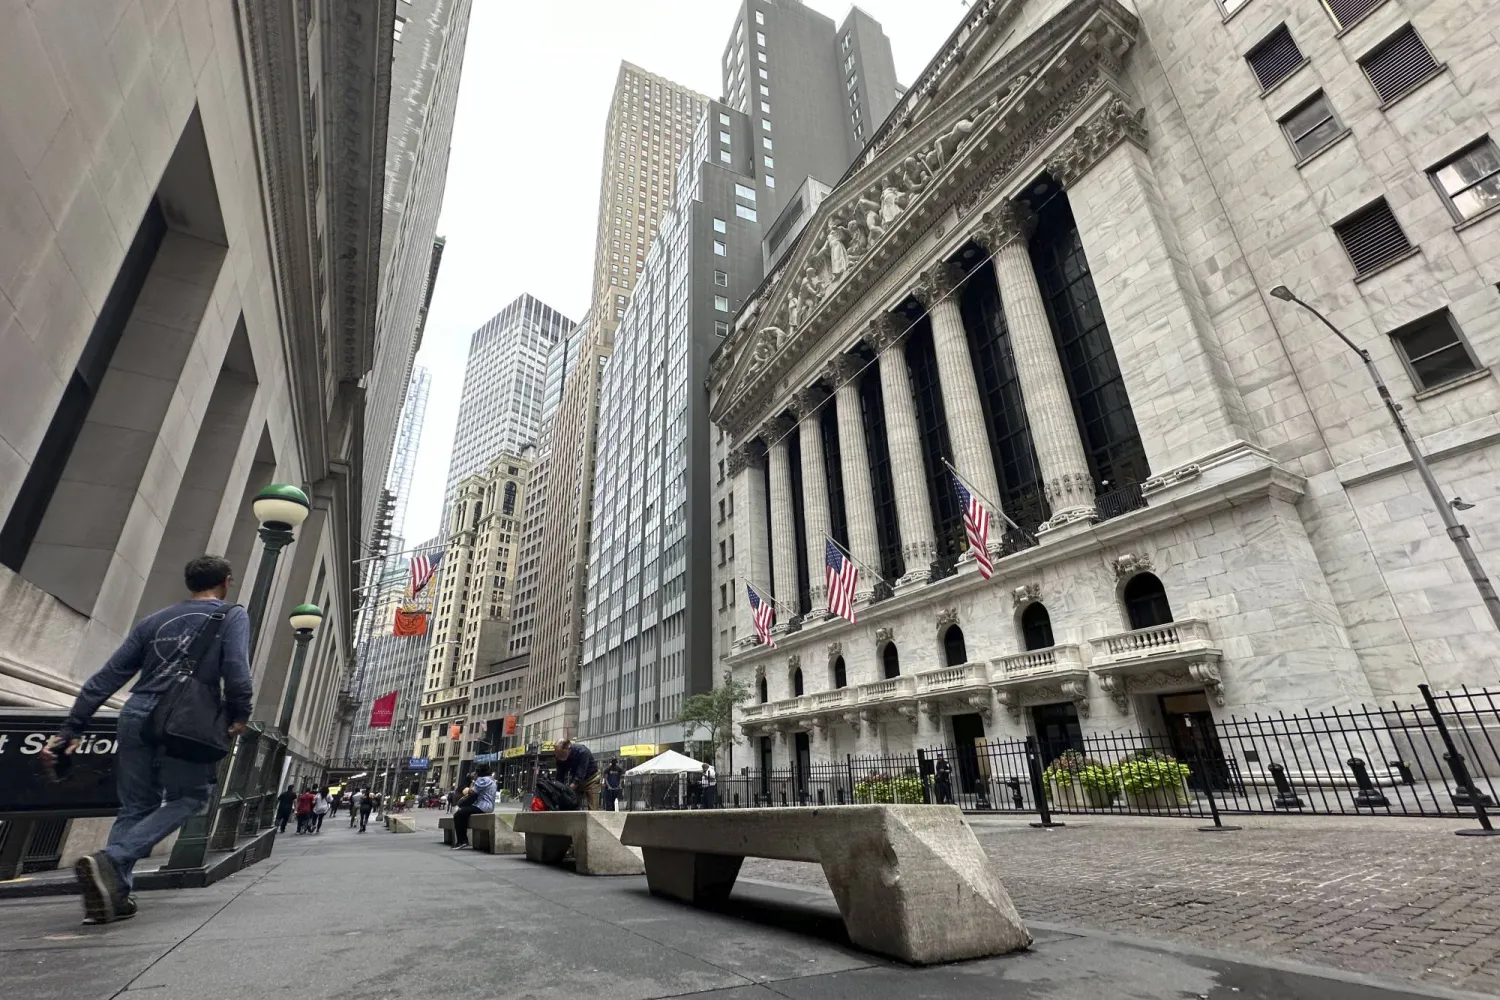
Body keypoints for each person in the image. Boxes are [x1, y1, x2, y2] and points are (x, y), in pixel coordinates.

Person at [39, 555, 252, 926]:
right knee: (190, 796)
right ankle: (113, 858)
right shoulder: (231, 615)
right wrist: (239, 714)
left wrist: (72, 729)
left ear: (190, 583)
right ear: (227, 582)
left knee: (135, 806)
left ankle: (114, 899)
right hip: (186, 719)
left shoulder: (154, 620)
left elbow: (106, 677)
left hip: (135, 714)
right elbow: (237, 669)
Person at [450, 764, 496, 849]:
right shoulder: (491, 779)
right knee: (464, 812)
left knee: (459, 814)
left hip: (482, 806)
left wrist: (470, 782)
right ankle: (462, 840)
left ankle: (462, 841)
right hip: (488, 806)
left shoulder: (483, 780)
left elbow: (471, 793)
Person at [554, 739, 600, 810]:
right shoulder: (559, 757)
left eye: (560, 754)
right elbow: (560, 776)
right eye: (556, 754)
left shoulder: (583, 752)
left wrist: (570, 788)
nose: (558, 756)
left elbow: (581, 773)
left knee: (593, 808)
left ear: (568, 749)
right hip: (576, 779)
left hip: (592, 779)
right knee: (571, 804)